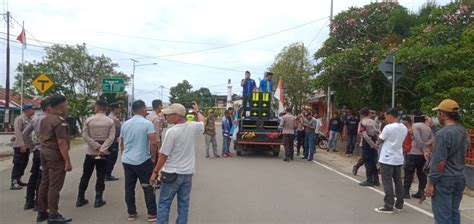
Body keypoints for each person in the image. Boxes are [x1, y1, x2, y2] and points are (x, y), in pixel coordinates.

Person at [149, 103, 205, 224]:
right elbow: (202, 122)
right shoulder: (192, 126)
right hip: (187, 174)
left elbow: (164, 155)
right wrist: (197, 111)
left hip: (171, 173)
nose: (166, 117)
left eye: (168, 114)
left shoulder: (171, 132)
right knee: (183, 205)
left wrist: (154, 173)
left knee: (164, 203)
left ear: (177, 116)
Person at [425, 99, 468, 224]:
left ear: (442, 114)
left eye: (438, 113)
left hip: (444, 179)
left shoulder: (442, 135)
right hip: (459, 177)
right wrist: (433, 127)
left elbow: (439, 162)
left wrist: (431, 183)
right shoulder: (462, 131)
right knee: (454, 212)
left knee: (443, 216)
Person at [120, 100, 158, 222]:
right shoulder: (147, 124)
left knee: (129, 187)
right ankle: (151, 214)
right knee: (147, 186)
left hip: (127, 160)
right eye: (145, 109)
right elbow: (153, 143)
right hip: (143, 159)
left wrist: (124, 155)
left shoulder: (125, 124)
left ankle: (131, 213)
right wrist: (152, 158)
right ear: (142, 110)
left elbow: (122, 143)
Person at [37, 95, 73, 223]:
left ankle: (42, 211)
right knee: (54, 185)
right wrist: (67, 161)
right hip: (55, 155)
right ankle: (53, 214)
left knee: (45, 182)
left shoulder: (45, 119)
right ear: (62, 106)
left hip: (44, 153)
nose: (67, 107)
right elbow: (61, 143)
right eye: (66, 105)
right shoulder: (59, 121)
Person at [76, 100, 115, 208]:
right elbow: (111, 137)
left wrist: (95, 146)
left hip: (90, 151)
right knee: (100, 175)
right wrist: (102, 148)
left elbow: (85, 135)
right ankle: (98, 199)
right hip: (104, 152)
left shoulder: (89, 120)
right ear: (105, 108)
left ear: (96, 107)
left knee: (86, 174)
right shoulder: (109, 121)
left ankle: (80, 197)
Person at [374, 108, 407, 213]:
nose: (385, 118)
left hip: (387, 158)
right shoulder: (404, 127)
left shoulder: (388, 127)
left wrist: (377, 141)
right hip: (398, 157)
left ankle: (388, 205)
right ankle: (399, 204)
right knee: (398, 181)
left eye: (386, 116)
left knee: (387, 181)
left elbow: (380, 140)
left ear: (390, 116)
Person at [22, 99, 50, 210]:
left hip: (37, 151)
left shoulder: (35, 120)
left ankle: (29, 202)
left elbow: (25, 134)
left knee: (33, 176)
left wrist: (32, 146)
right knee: (43, 177)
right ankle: (39, 202)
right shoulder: (50, 120)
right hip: (47, 151)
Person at [403, 110, 434, 200]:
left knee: (409, 172)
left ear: (414, 116)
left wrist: (422, 147)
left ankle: (405, 192)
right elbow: (432, 139)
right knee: (421, 173)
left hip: (413, 152)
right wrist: (426, 145)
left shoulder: (415, 126)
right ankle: (420, 191)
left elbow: (417, 138)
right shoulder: (428, 127)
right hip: (423, 155)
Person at [11, 104, 35, 190]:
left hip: (27, 146)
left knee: (24, 163)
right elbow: (17, 132)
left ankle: (19, 179)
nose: (33, 111)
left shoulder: (30, 120)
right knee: (18, 163)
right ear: (27, 110)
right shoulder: (20, 119)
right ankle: (14, 182)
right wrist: (21, 145)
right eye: (32, 109)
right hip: (20, 146)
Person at [359, 107, 380, 187]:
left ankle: (369, 180)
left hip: (367, 142)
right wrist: (376, 143)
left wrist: (372, 144)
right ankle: (376, 180)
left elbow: (364, 135)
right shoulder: (374, 122)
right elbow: (377, 133)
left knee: (367, 161)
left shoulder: (363, 122)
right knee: (373, 161)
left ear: (361, 114)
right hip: (374, 139)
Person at [105, 102, 122, 181]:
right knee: (112, 158)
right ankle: (107, 174)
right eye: (118, 108)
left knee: (110, 158)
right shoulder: (113, 119)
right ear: (115, 109)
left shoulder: (110, 117)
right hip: (113, 141)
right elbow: (118, 131)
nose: (119, 110)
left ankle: (107, 174)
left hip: (111, 140)